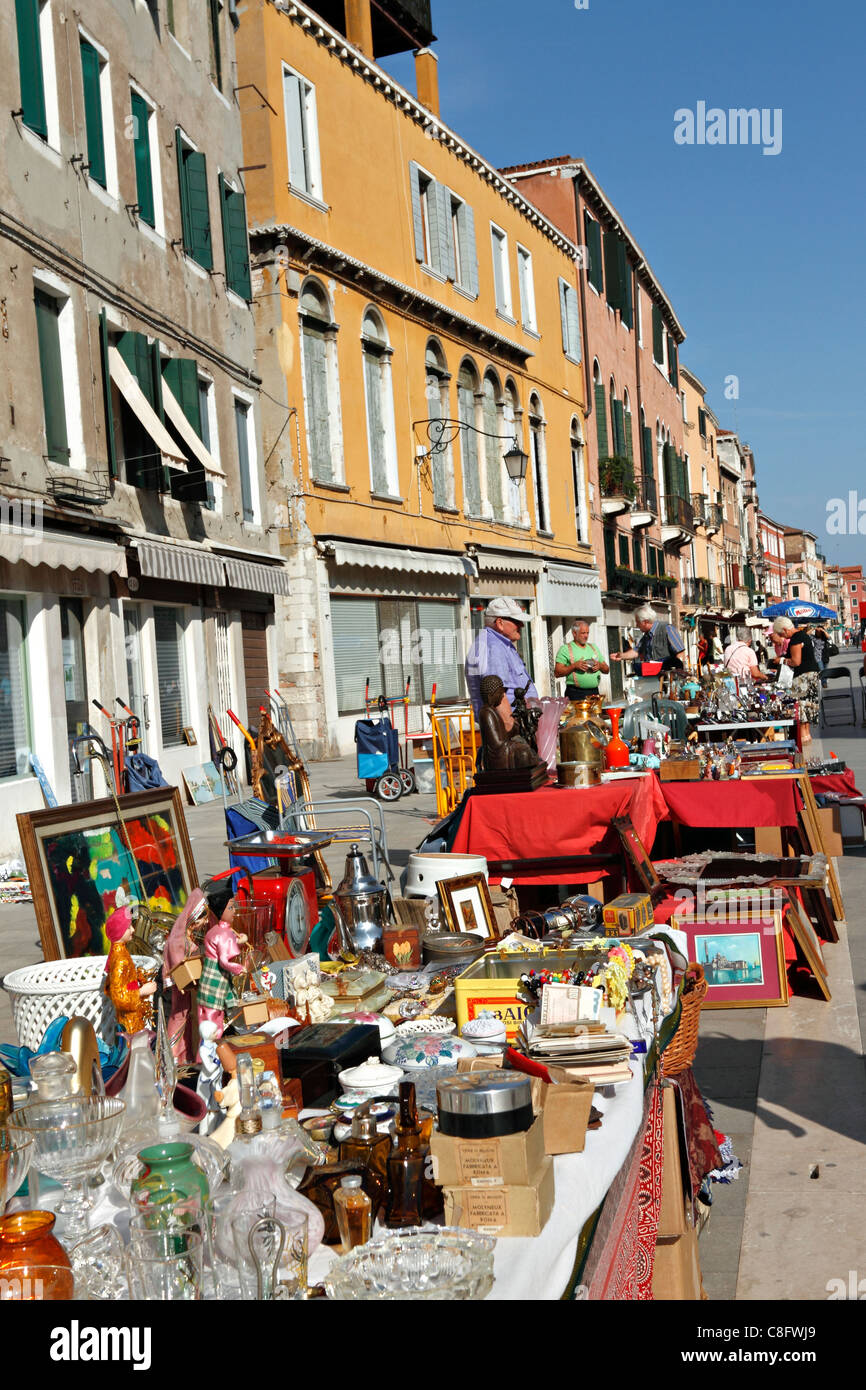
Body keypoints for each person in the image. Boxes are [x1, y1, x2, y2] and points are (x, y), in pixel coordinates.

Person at [465, 597, 538, 713]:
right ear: (500, 623)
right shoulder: (493, 647)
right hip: (508, 726)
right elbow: (496, 696)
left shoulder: (498, 643)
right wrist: (510, 726)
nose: (522, 625)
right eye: (516, 621)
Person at [610, 605, 685, 673]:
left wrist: (677, 672)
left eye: (638, 622)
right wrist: (621, 656)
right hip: (653, 676)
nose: (636, 625)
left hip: (667, 677)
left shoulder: (667, 629)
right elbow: (636, 652)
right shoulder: (647, 635)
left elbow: (680, 652)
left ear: (645, 622)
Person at [782, 617, 820, 746]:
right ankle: (807, 735)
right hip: (812, 673)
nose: (783, 637)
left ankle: (803, 738)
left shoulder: (796, 638)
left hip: (802, 676)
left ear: (785, 629)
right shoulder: (804, 635)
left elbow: (796, 661)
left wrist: (781, 661)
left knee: (801, 705)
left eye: (782, 634)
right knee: (809, 704)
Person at [554, 619, 609, 701]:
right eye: (583, 633)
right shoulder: (565, 649)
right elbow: (557, 673)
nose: (586, 636)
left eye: (587, 633)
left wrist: (600, 666)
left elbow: (607, 670)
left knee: (595, 714)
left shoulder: (593, 647)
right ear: (574, 633)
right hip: (576, 694)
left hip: (594, 692)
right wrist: (574, 666)